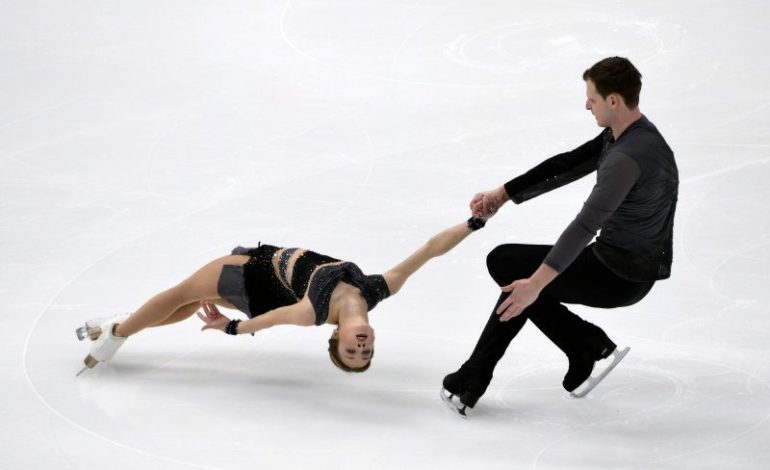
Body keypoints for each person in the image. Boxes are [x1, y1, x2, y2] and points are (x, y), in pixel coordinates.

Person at [440, 56, 678, 417]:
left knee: (512, 269)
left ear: (614, 100)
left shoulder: (626, 158)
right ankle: (583, 345)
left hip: (617, 276)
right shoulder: (632, 135)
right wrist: (502, 195)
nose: (587, 105)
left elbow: (584, 226)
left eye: (592, 99)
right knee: (511, 267)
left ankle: (476, 376)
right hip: (629, 266)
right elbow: (568, 163)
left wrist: (535, 285)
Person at [76, 216, 489, 375]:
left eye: (352, 352)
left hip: (253, 274)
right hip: (269, 286)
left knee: (180, 294)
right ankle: (121, 327)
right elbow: (430, 250)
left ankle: (115, 333)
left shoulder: (313, 312)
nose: (361, 347)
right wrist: (473, 223)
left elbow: (269, 320)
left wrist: (229, 327)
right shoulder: (378, 289)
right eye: (366, 352)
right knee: (184, 304)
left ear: (336, 338)